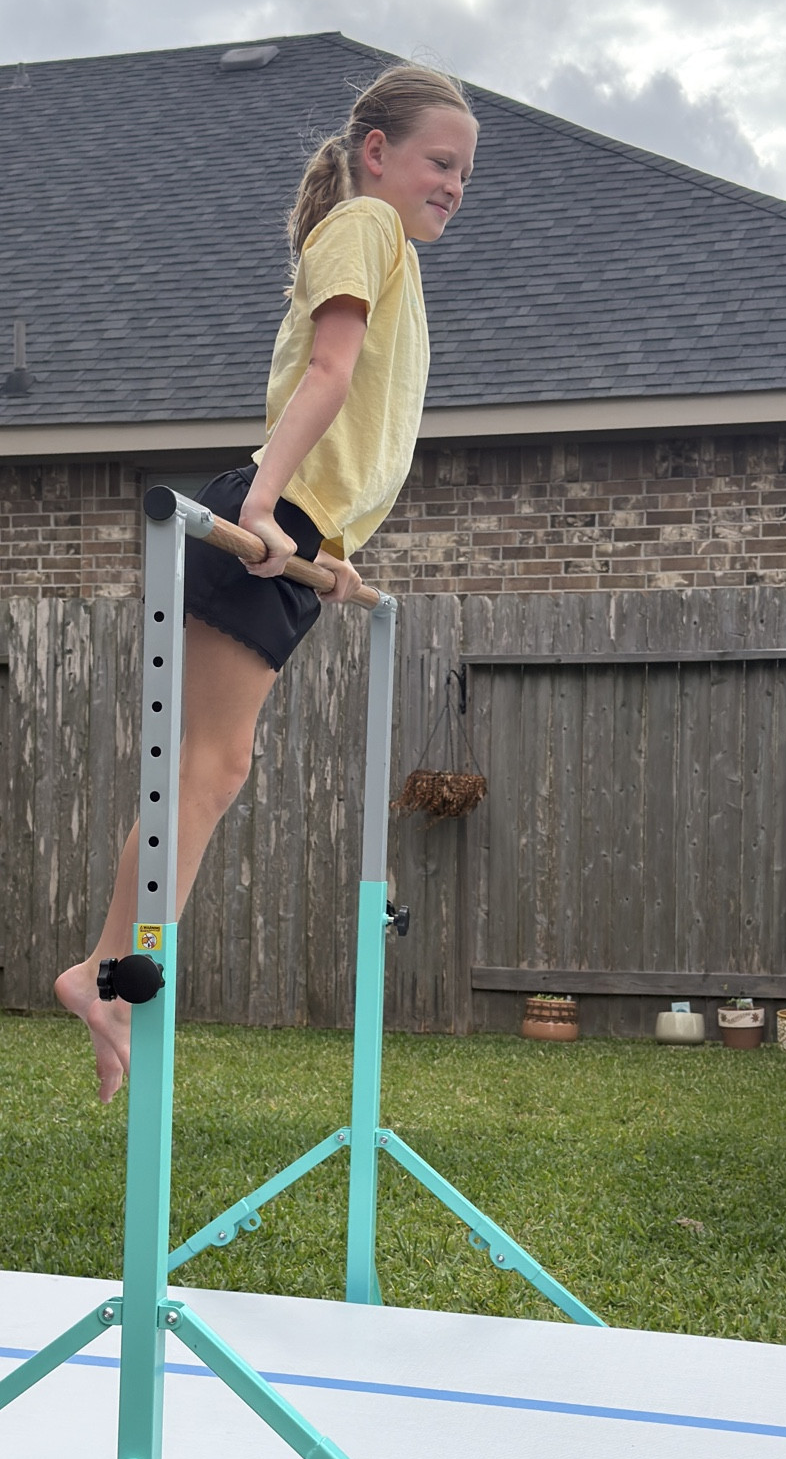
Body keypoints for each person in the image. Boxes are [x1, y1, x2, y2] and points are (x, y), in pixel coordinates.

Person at [56, 64, 479, 1099]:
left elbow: (360, 419)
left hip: (303, 529)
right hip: (268, 516)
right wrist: (264, 506)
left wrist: (331, 546)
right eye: (439, 161)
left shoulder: (387, 250)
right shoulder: (364, 225)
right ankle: (105, 978)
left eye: (465, 173)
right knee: (202, 765)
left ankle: (103, 974)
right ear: (376, 152)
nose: (453, 185)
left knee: (218, 766)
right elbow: (326, 376)